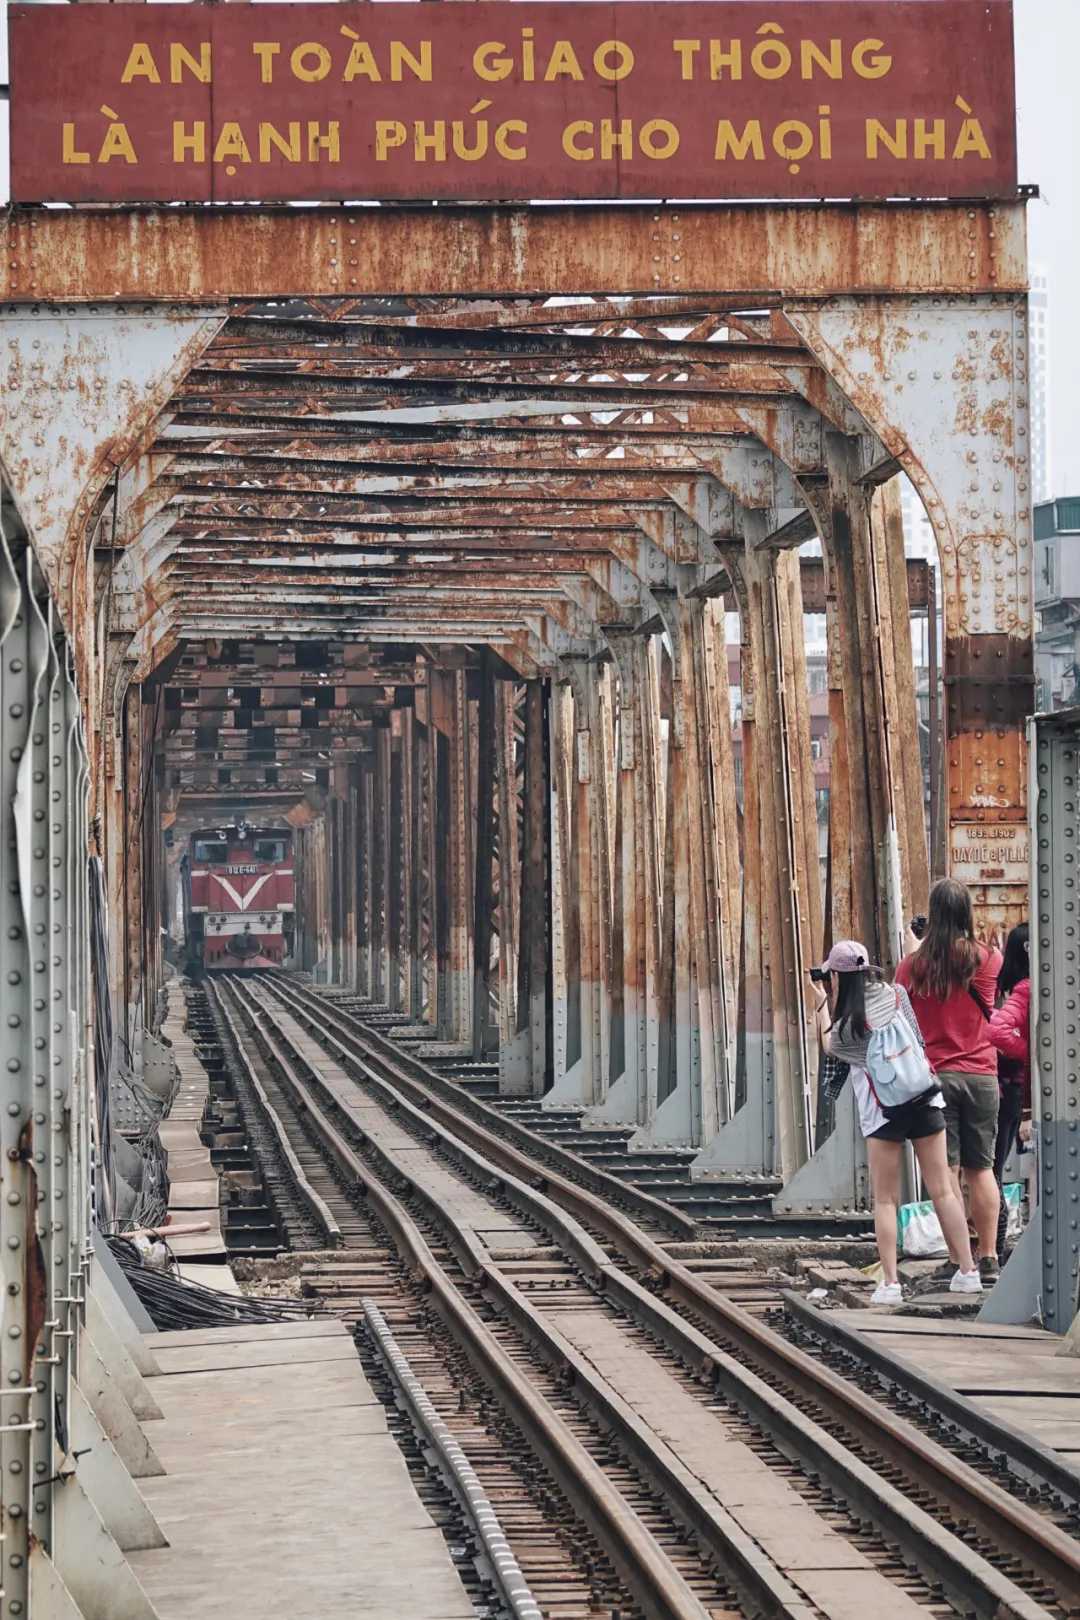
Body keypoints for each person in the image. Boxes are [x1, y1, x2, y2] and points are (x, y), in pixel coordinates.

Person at [812, 939, 981, 1306]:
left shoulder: (846, 1027)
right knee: (943, 1189)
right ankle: (968, 1271)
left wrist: (821, 1009)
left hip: (883, 1111)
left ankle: (890, 1284)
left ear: (837, 976)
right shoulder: (897, 993)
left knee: (886, 1199)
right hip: (922, 1098)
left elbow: (831, 1051)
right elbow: (918, 1041)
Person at [896, 878, 1003, 1283]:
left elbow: (899, 1005)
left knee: (947, 1174)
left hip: (936, 1077)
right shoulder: (988, 959)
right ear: (967, 914)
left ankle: (963, 1261)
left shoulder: (912, 966)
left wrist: (913, 943)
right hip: (982, 1076)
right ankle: (990, 1255)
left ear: (935, 914)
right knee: (982, 1170)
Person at [987, 923, 1030, 1265]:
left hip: (1003, 1090)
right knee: (993, 1171)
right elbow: (998, 1031)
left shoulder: (1009, 990)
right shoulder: (1029, 991)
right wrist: (1029, 1052)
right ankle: (994, 1249)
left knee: (991, 1170)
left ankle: (992, 1249)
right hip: (1012, 1093)